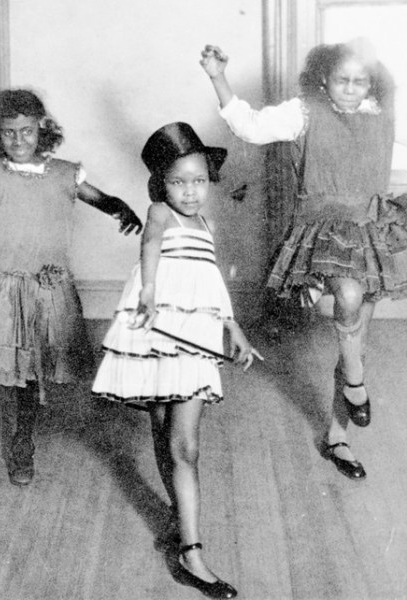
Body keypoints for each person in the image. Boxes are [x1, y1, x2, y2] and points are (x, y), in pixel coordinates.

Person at [200, 39, 405, 480]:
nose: (351, 88)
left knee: (356, 342)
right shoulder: (304, 111)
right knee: (347, 299)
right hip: (324, 228)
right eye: (341, 80)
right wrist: (217, 76)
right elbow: (250, 127)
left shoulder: (380, 113)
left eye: (360, 80)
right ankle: (355, 385)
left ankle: (337, 435)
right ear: (323, 79)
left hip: (368, 229)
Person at [0, 88, 142, 487]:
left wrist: (122, 207)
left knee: (29, 374)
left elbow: (102, 198)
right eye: (8, 133)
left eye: (26, 132)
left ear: (41, 130)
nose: (18, 141)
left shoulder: (65, 173)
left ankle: (23, 442)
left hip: (42, 290)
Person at [92, 122, 259, 599]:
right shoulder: (159, 213)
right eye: (178, 181)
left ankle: (192, 552)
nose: (189, 191)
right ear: (161, 184)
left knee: (185, 445)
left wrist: (234, 329)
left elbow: (213, 284)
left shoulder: (209, 225)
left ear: (210, 182)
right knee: (164, 435)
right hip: (155, 327)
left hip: (195, 335)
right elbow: (148, 246)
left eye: (199, 181)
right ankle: (179, 519)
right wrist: (147, 289)